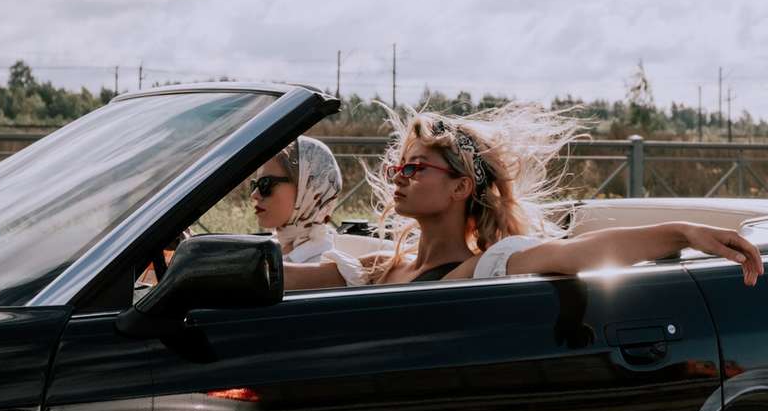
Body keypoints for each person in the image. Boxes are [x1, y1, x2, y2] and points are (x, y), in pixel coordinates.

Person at [286, 103, 763, 289]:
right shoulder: (375, 268)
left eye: (415, 167)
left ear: (460, 187)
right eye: (397, 166)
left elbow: (582, 253)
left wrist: (681, 231)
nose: (399, 177)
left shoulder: (487, 264)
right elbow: (281, 278)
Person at [250, 136, 342, 264]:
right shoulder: (277, 247)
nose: (254, 195)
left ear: (307, 188)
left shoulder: (320, 264)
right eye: (255, 184)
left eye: (266, 184)